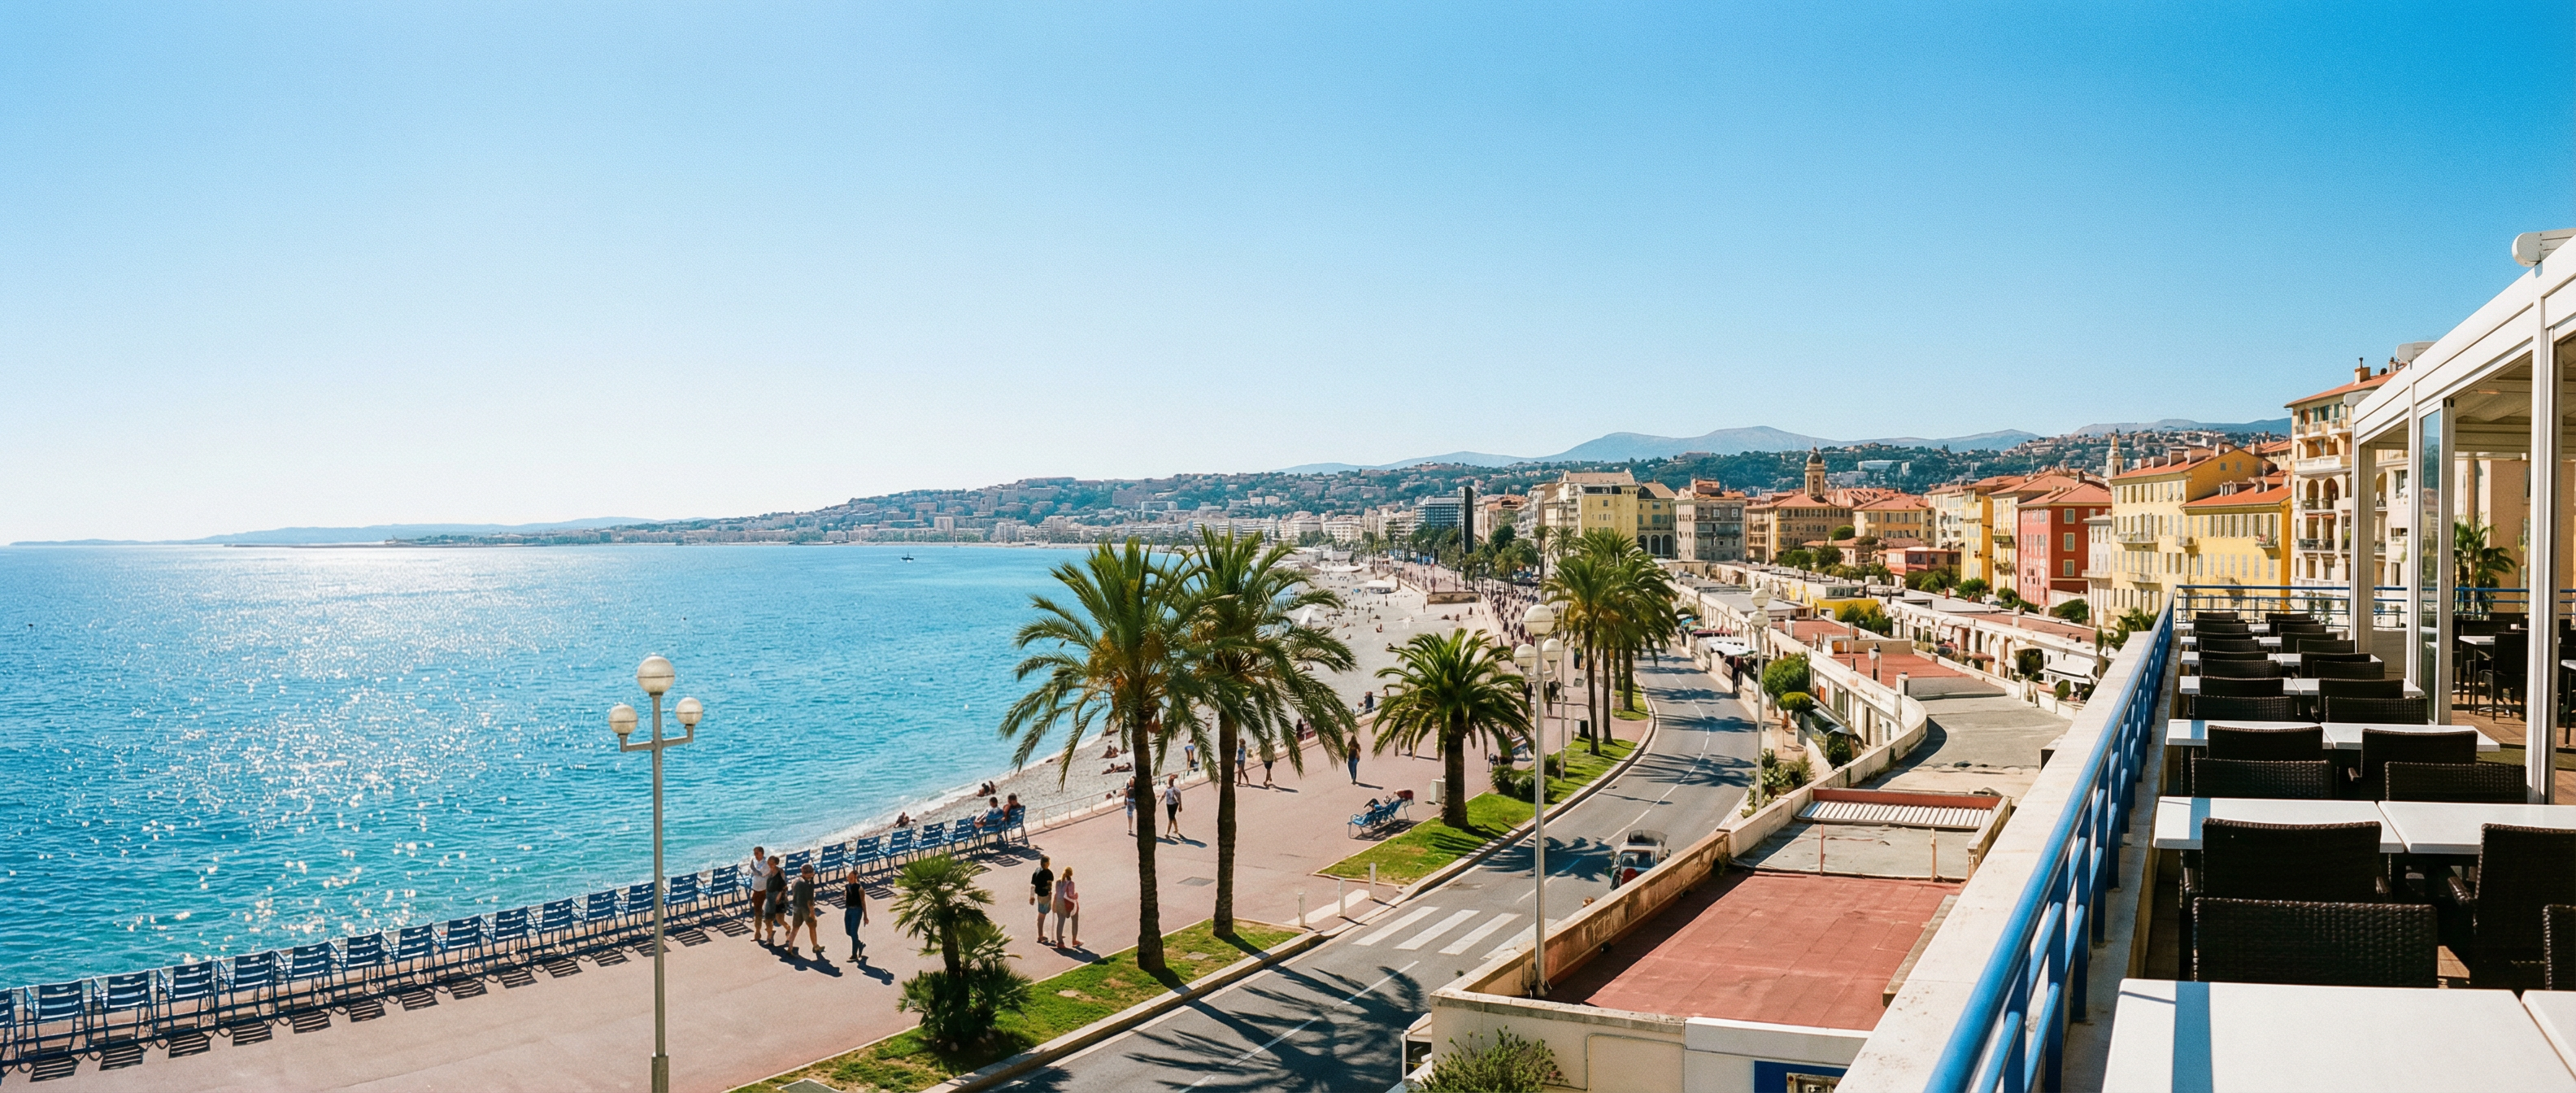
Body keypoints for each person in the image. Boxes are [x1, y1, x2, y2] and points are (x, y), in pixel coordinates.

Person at [792, 863, 822, 958]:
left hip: (796, 906)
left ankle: (790, 947)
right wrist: (812, 913)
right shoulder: (808, 884)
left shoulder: (796, 881)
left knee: (795, 928)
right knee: (812, 926)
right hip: (806, 909)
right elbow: (810, 901)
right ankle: (815, 946)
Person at [1029, 856, 1056, 945]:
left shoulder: (1037, 871)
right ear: (1048, 864)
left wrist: (1032, 897)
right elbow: (1049, 887)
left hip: (1039, 895)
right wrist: (1050, 895)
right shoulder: (1049, 873)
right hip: (1045, 896)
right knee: (1042, 916)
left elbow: (1033, 885)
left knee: (1041, 915)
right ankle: (1040, 936)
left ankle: (1040, 934)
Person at [842, 872, 868, 963]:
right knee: (848, 931)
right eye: (849, 876)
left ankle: (854, 954)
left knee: (853, 932)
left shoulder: (859, 888)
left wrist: (865, 916)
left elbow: (863, 902)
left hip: (857, 911)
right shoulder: (847, 887)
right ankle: (859, 944)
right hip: (848, 910)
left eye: (852, 876)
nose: (850, 878)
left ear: (855, 877)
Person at [1053, 866, 1080, 948]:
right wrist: (1076, 896)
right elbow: (1070, 895)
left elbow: (1057, 893)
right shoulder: (1071, 883)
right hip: (1067, 905)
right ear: (1071, 874)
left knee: (1060, 922)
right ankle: (1074, 940)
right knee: (1075, 919)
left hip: (1059, 903)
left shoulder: (1058, 882)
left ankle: (1060, 942)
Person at [745, 845, 768, 932]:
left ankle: (766, 931)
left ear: (762, 853)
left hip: (763, 889)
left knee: (762, 910)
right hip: (756, 888)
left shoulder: (766, 863)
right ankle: (758, 932)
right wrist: (752, 868)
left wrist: (753, 868)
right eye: (754, 853)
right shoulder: (755, 861)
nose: (755, 855)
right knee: (757, 910)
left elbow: (761, 873)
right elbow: (751, 872)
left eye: (757, 853)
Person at [1163, 774, 1183, 838]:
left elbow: (1179, 797)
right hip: (1169, 804)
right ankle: (1176, 829)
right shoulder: (1168, 789)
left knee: (1170, 818)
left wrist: (1180, 806)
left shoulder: (1175, 789)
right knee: (1172, 817)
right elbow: (1164, 795)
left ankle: (1167, 832)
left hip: (1174, 804)